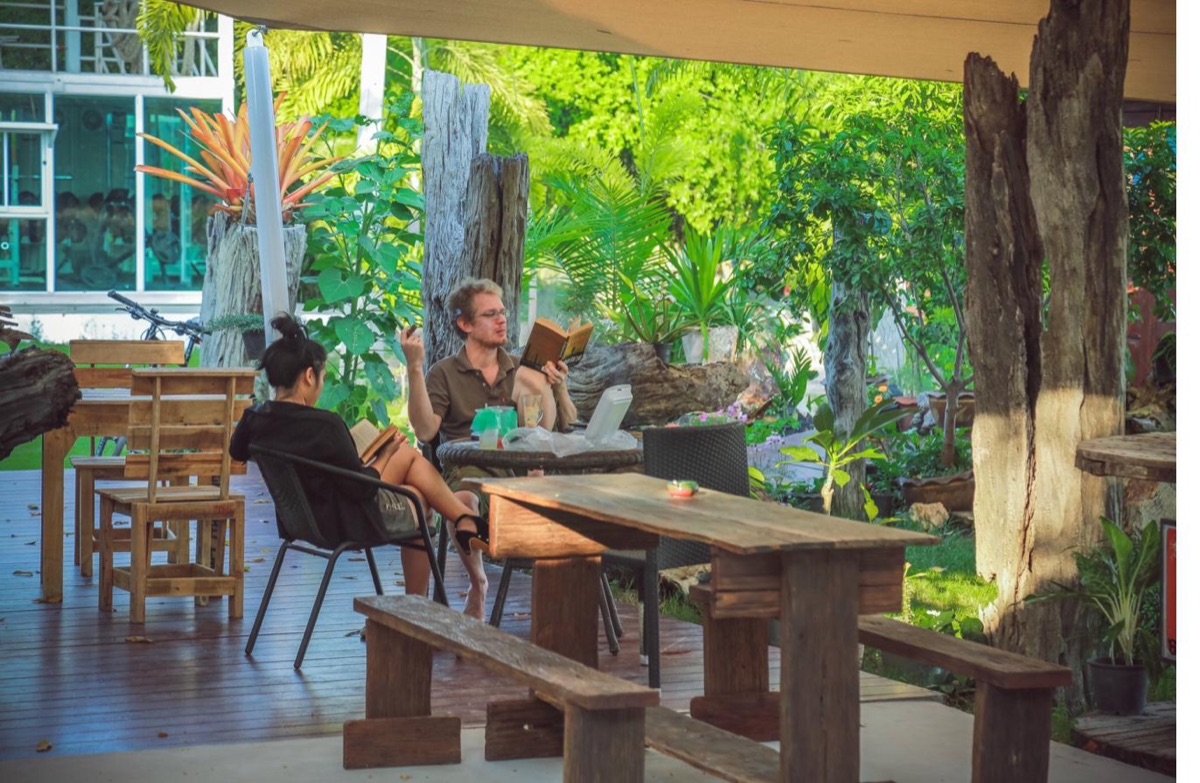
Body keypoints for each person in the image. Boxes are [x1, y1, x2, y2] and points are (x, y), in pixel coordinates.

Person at [229, 312, 484, 599]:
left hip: (301, 519)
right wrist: (384, 454)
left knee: (410, 474)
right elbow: (361, 489)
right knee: (416, 486)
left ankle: (460, 524)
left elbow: (237, 450)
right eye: (322, 377)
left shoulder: (255, 417)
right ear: (309, 376)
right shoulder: (324, 425)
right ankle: (455, 535)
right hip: (346, 521)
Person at [402, 277, 578, 619]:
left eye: (503, 313)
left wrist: (553, 387)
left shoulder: (522, 369)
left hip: (517, 472)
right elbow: (425, 431)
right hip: (467, 472)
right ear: (465, 324)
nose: (502, 320)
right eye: (490, 314)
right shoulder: (444, 373)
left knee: (571, 505)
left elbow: (546, 429)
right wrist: (414, 368)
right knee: (462, 502)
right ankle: (478, 582)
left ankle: (564, 608)